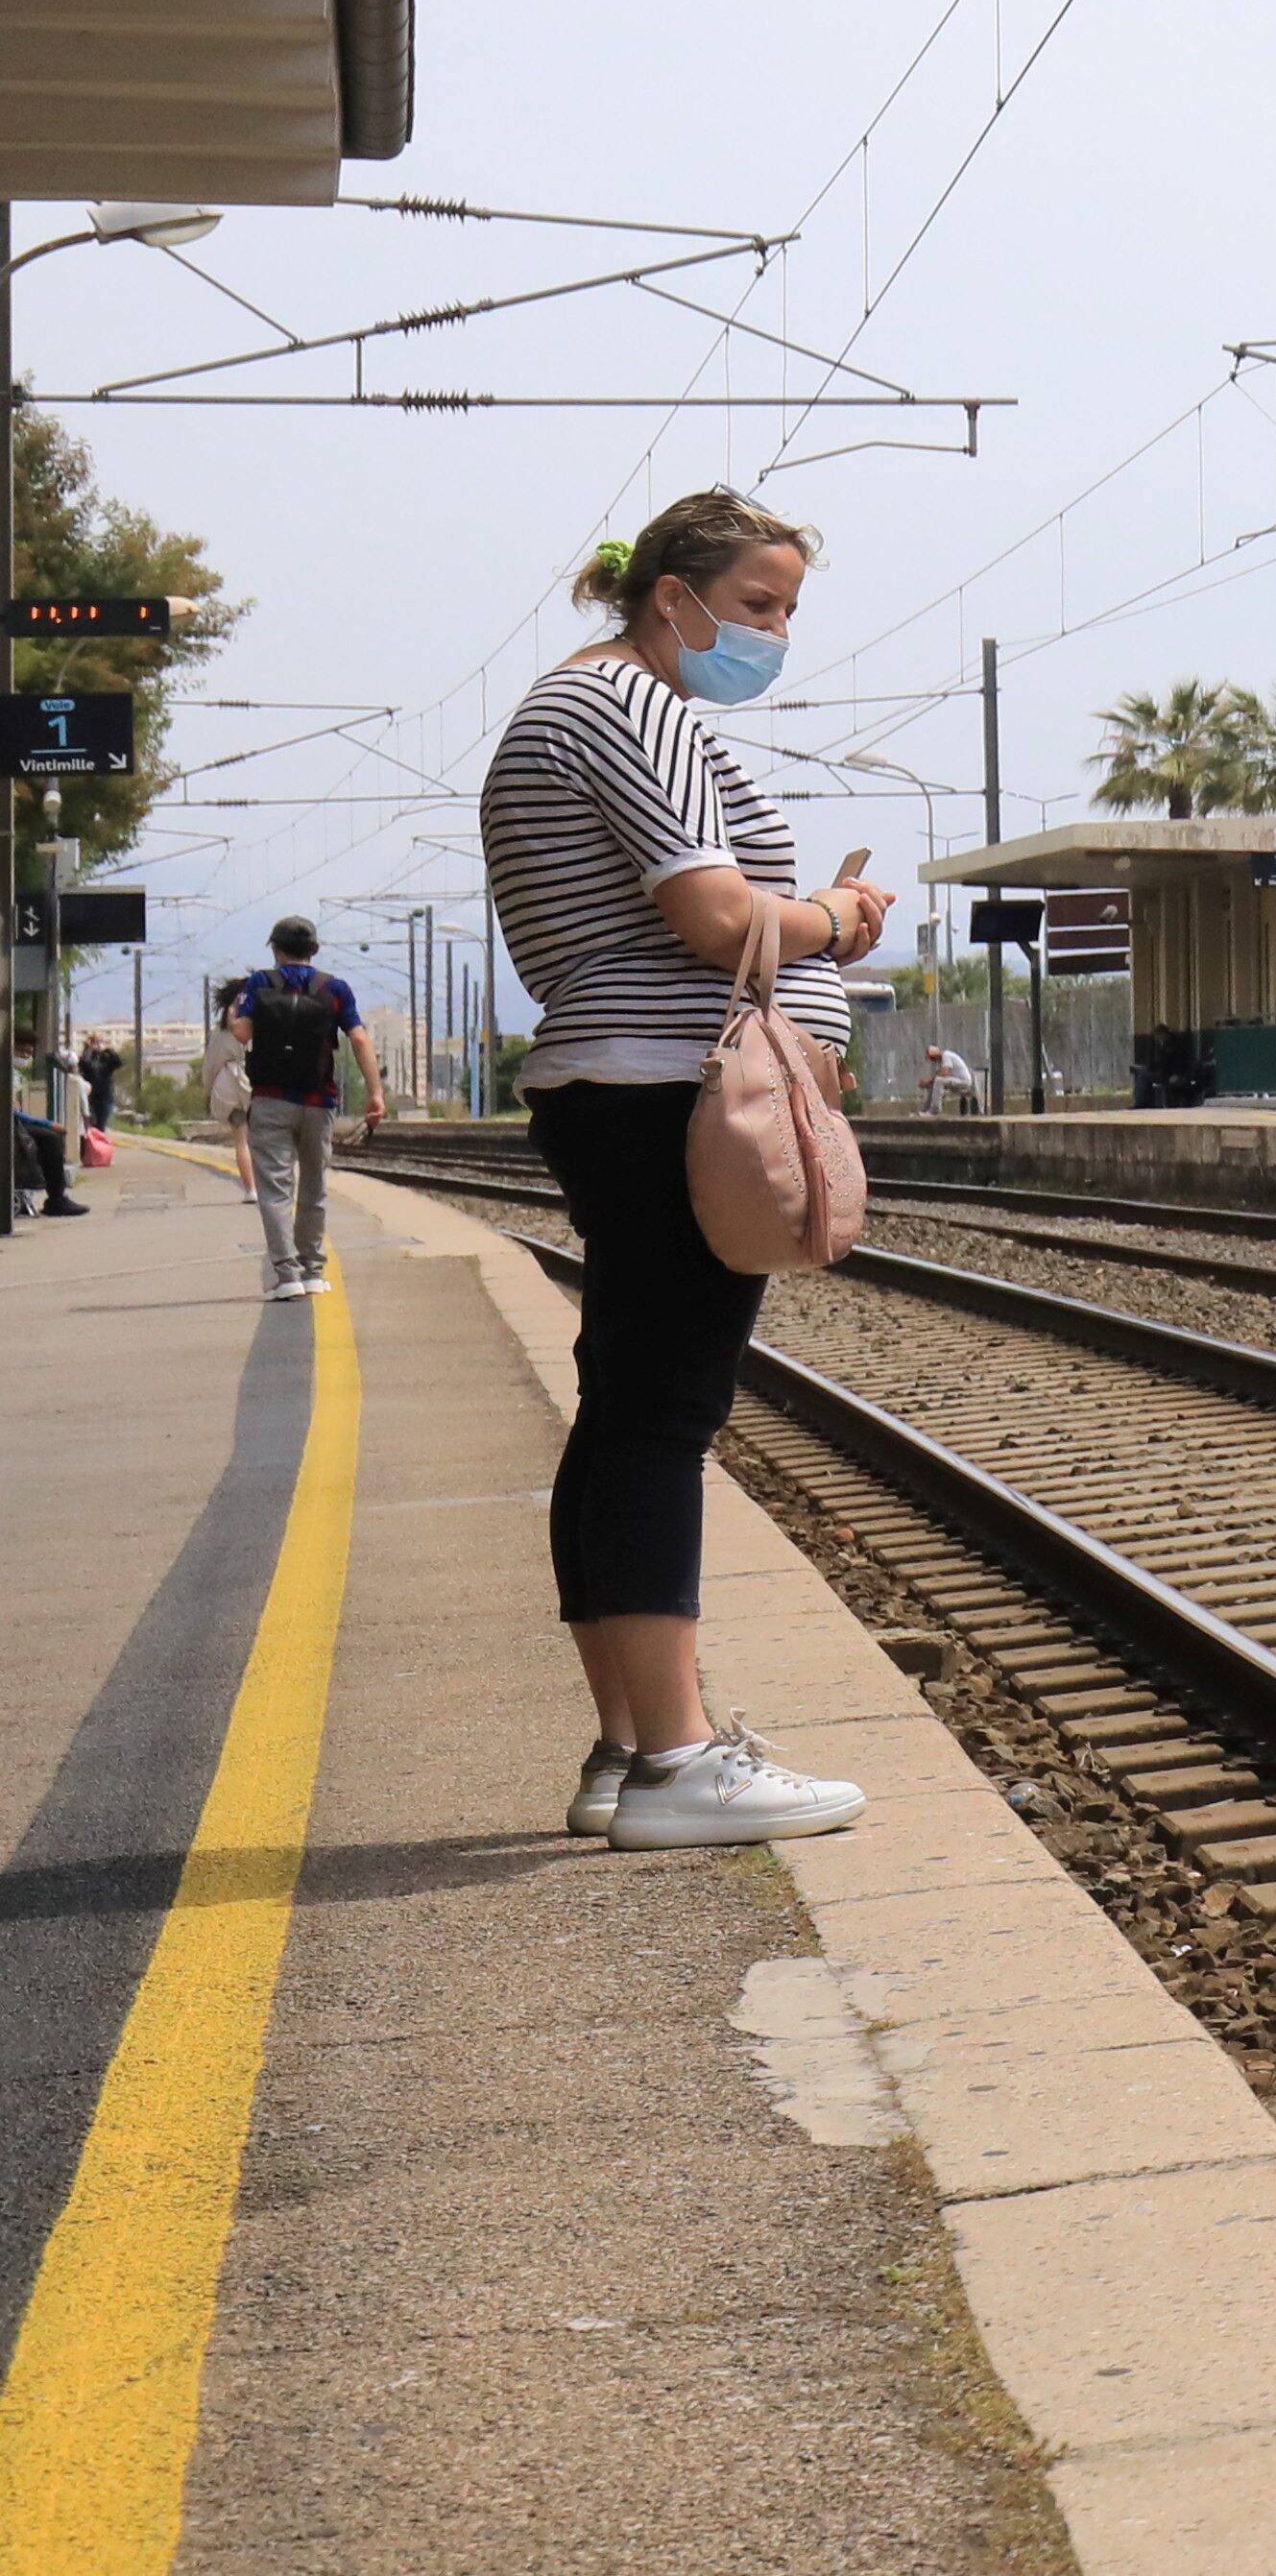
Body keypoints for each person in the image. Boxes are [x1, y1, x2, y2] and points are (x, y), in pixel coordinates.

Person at [478, 486, 894, 1851]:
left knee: (623, 1411)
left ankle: (624, 1747)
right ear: (672, 596)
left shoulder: (568, 705)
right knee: (662, 1417)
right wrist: (837, 915)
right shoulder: (634, 704)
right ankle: (678, 1758)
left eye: (783, 611)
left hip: (623, 1090)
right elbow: (717, 917)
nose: (771, 636)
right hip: (666, 1094)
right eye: (759, 606)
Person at [228, 917, 387, 1295]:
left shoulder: (261, 983)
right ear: (314, 949)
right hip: (319, 1101)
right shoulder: (335, 988)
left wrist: (235, 1015)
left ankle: (286, 1276)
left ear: (275, 948)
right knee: (314, 1186)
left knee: (276, 1189)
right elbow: (360, 1040)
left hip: (271, 1100)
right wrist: (375, 1092)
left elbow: (242, 1033)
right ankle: (314, 1271)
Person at [11, 1029, 84, 1218]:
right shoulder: (7, 1074)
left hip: (14, 1121)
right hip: (10, 1123)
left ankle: (55, 1196)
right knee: (51, 1138)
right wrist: (48, 1124)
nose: (25, 1057)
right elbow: (12, 1112)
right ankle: (56, 1199)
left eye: (28, 1053)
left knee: (49, 1136)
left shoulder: (15, 1074)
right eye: (21, 1053)